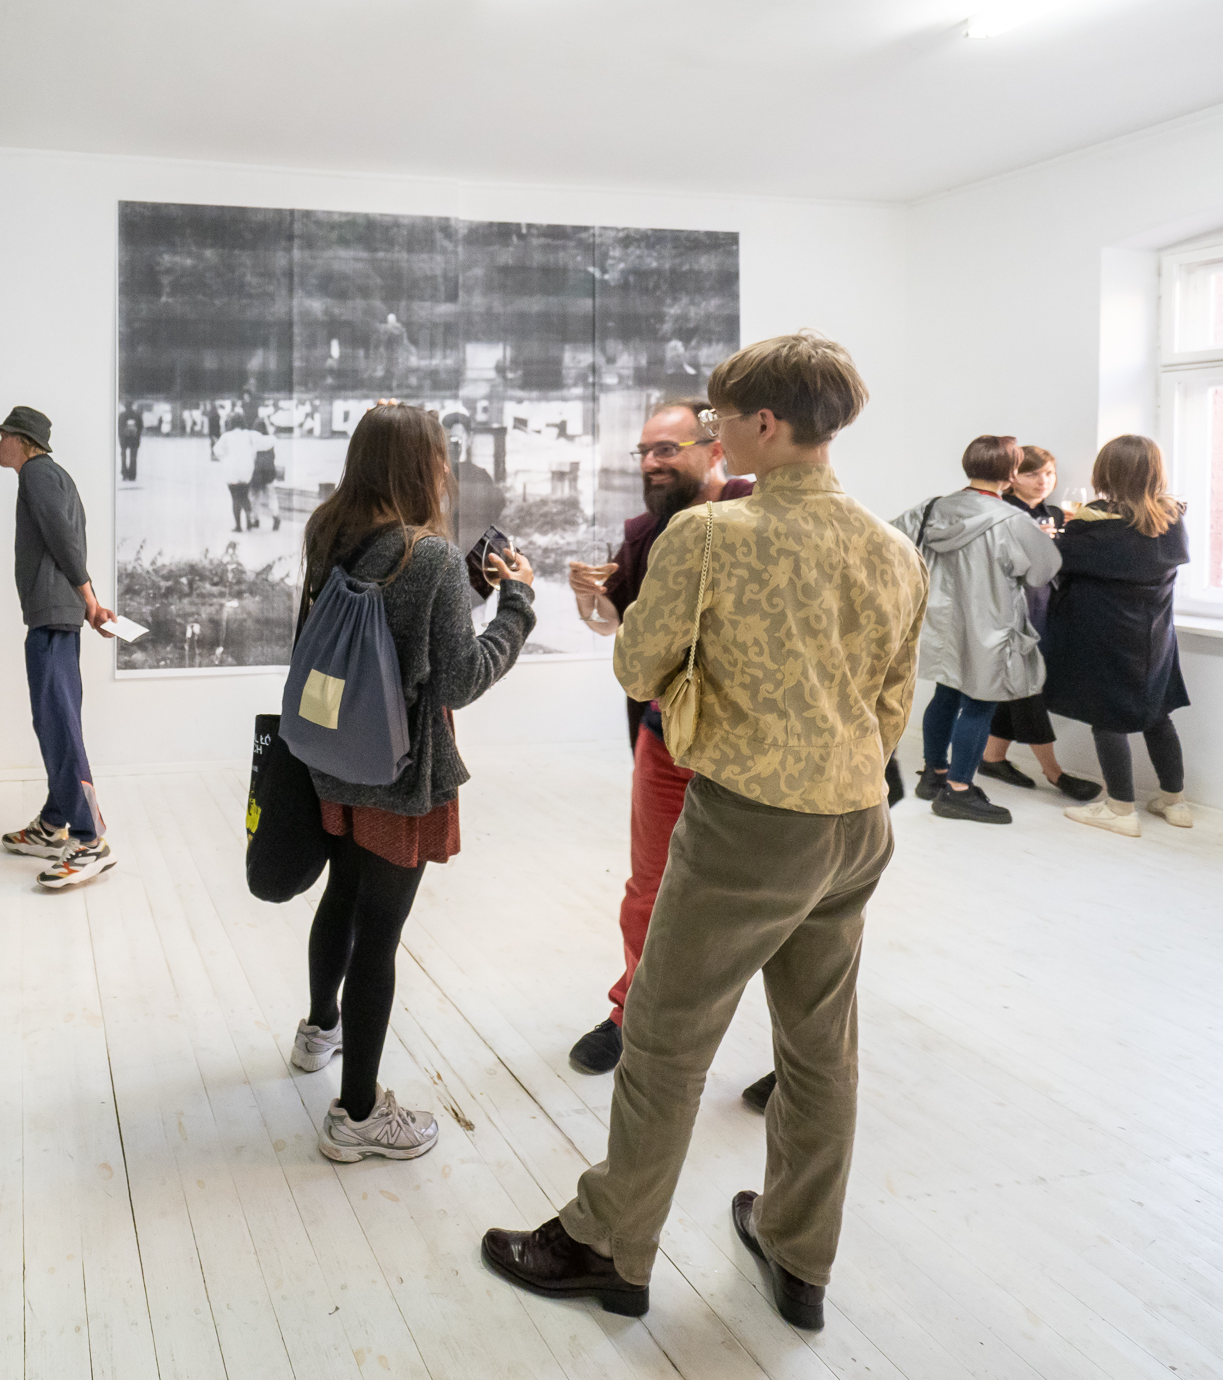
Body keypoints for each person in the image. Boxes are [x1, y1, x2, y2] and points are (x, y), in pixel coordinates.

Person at [482, 332, 926, 1331]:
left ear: (765, 423)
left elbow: (637, 667)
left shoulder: (711, 537)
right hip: (854, 822)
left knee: (664, 1041)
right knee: (820, 1051)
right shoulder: (892, 547)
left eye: (722, 420)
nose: (716, 436)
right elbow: (892, 701)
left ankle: (607, 1244)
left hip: (747, 825)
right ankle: (799, 1254)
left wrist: (694, 681)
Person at [290, 402, 537, 1163]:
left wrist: (464, 589)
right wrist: (517, 606)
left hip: (334, 753)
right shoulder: (426, 555)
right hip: (398, 771)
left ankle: (318, 1031)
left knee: (342, 894)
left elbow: (391, 626)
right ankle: (358, 1115)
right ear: (421, 466)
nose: (447, 468)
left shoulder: (330, 532)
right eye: (441, 455)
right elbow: (459, 678)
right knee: (381, 935)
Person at [562, 401, 755, 1088]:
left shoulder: (758, 513)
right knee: (651, 887)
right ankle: (632, 1014)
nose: (651, 463)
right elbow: (619, 625)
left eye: (666, 449)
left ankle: (792, 1051)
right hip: (666, 737)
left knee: (769, 897)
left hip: (755, 746)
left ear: (715, 448)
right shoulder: (646, 532)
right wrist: (590, 599)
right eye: (644, 452)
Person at [893, 436, 1062, 825]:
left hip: (940, 622)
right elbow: (1043, 571)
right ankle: (958, 791)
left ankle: (934, 775)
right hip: (990, 625)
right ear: (1012, 472)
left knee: (946, 694)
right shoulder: (1013, 521)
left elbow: (890, 543)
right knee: (980, 703)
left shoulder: (931, 508)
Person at [0, 405, 120, 888]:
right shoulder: (56, 476)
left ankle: (89, 841)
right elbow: (68, 544)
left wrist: (89, 601)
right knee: (54, 720)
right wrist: (89, 603)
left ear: (23, 441)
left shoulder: (37, 474)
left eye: (3, 436)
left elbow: (64, 541)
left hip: (52, 617)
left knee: (59, 724)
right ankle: (53, 823)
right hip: (56, 614)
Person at [1043, 435, 1194, 836]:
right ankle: (1175, 802)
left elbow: (1058, 564)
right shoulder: (1171, 518)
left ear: (1106, 472)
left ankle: (1120, 808)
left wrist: (1056, 535)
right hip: (1154, 636)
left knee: (1107, 717)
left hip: (1106, 633)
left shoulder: (1095, 523)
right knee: (1157, 715)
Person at [980, 446, 1101, 801]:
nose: (1043, 481)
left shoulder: (1056, 514)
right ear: (1012, 478)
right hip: (1008, 612)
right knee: (1027, 689)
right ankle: (1055, 772)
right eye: (1032, 474)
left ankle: (992, 757)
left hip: (1044, 610)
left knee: (1020, 688)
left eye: (1048, 473)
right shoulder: (1000, 512)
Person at [216, 415, 260, 531]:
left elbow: (217, 450)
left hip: (232, 470)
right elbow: (256, 449)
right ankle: (249, 522)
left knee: (235, 498)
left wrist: (224, 458)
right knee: (245, 496)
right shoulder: (249, 434)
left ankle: (238, 526)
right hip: (246, 469)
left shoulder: (226, 436)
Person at [117, 402, 144, 482]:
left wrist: (121, 439)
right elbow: (140, 427)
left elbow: (119, 428)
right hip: (134, 440)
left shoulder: (122, 415)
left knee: (123, 457)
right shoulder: (136, 415)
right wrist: (137, 436)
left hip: (124, 440)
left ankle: (124, 473)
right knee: (133, 457)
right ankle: (132, 474)